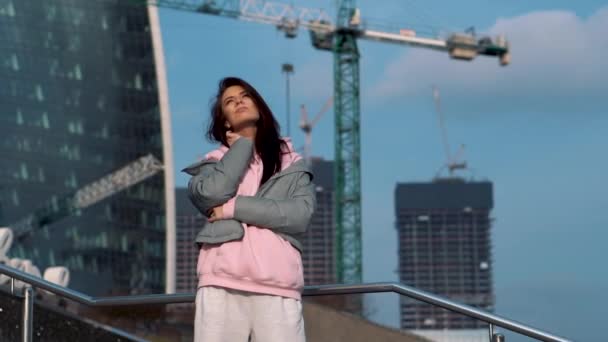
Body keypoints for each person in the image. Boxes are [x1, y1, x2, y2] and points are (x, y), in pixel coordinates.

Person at [182, 77, 315, 342]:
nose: (239, 101)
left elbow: (299, 215)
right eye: (230, 102)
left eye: (245, 96)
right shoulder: (212, 164)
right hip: (221, 284)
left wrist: (232, 208)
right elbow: (211, 194)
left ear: (259, 107)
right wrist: (242, 145)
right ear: (226, 122)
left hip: (279, 287)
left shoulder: (293, 165)